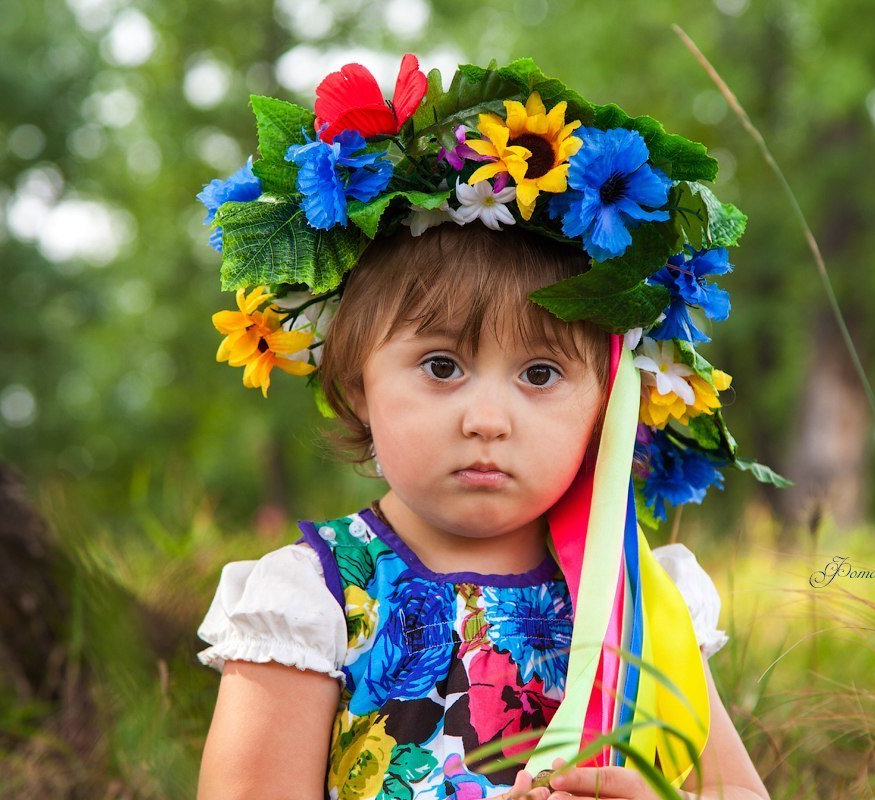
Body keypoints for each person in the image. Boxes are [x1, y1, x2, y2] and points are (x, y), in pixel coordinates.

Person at [192, 53, 777, 800]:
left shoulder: (637, 600)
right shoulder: (315, 601)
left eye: (540, 375)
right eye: (441, 367)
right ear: (355, 381)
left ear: (607, 404)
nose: (488, 420)